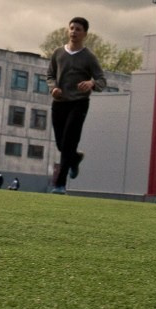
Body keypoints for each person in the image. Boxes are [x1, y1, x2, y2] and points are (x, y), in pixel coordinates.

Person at [45, 17, 107, 194]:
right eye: (71, 28)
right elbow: (50, 75)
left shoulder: (89, 57)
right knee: (61, 144)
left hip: (79, 103)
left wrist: (91, 83)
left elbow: (102, 80)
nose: (74, 32)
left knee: (68, 143)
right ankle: (75, 158)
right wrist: (53, 88)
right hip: (59, 102)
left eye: (78, 29)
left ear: (85, 34)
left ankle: (59, 184)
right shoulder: (58, 53)